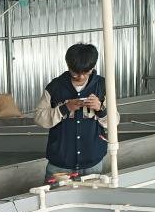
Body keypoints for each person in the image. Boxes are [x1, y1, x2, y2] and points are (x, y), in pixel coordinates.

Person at [34, 42, 116, 182]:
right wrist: (65, 108)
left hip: (92, 164)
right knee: (55, 196)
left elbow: (114, 122)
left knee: (92, 196)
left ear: (93, 67)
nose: (81, 77)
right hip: (60, 165)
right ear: (68, 66)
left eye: (86, 72)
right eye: (75, 73)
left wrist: (100, 109)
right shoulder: (55, 87)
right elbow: (39, 118)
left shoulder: (103, 86)